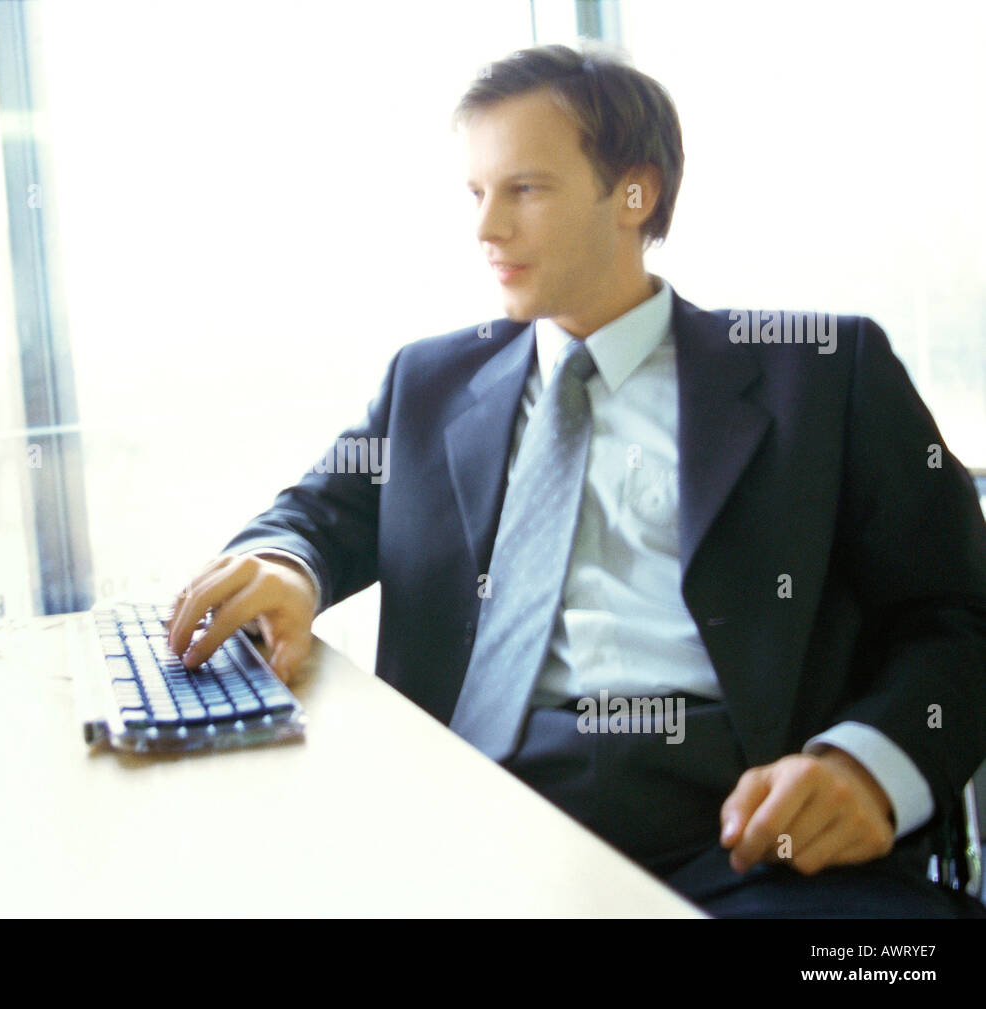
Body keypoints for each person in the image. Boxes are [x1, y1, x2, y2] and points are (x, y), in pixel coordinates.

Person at [165, 44, 986, 917]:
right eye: (476, 194)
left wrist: (867, 763)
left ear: (636, 194)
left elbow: (957, 618)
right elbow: (316, 516)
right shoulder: (431, 383)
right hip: (466, 829)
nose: (486, 230)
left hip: (749, 839)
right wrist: (288, 565)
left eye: (525, 190)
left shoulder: (822, 374)